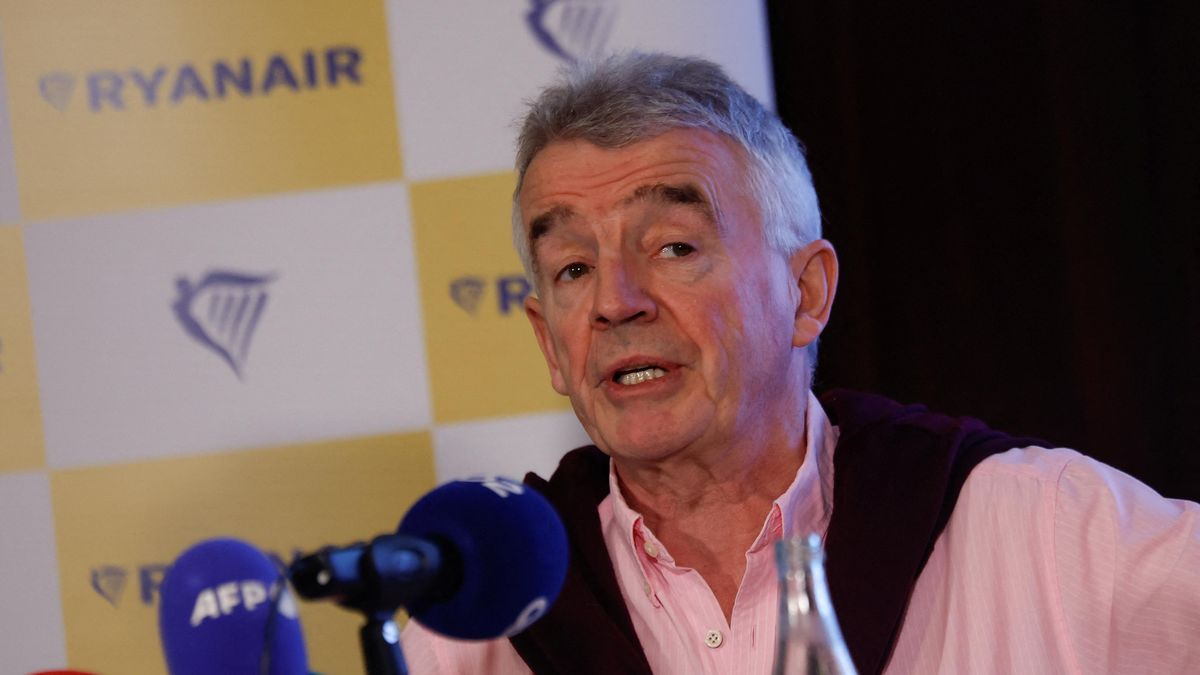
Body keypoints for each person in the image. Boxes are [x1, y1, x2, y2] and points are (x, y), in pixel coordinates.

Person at [402, 51, 1199, 674]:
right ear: (550, 342)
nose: (616, 301)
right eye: (574, 267)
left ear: (806, 292)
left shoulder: (1034, 528)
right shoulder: (482, 616)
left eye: (673, 247)